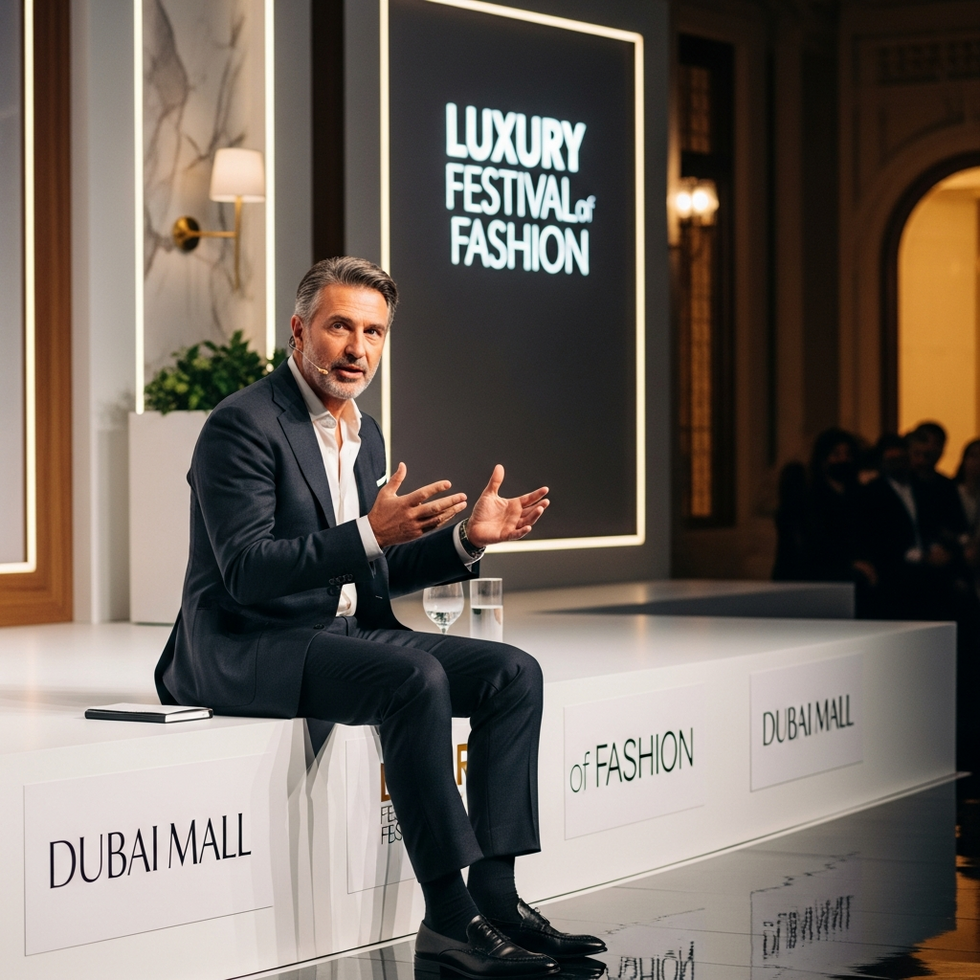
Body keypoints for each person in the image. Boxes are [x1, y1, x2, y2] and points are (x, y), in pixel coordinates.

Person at [154, 257, 605, 979]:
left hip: (344, 632)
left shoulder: (367, 435)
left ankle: (497, 895)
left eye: (373, 331)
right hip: (253, 641)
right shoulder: (241, 425)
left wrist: (464, 541)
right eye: (340, 326)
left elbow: (375, 568)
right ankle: (450, 923)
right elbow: (245, 570)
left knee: (514, 673)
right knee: (413, 678)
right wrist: (368, 533)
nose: (357, 347)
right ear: (300, 330)